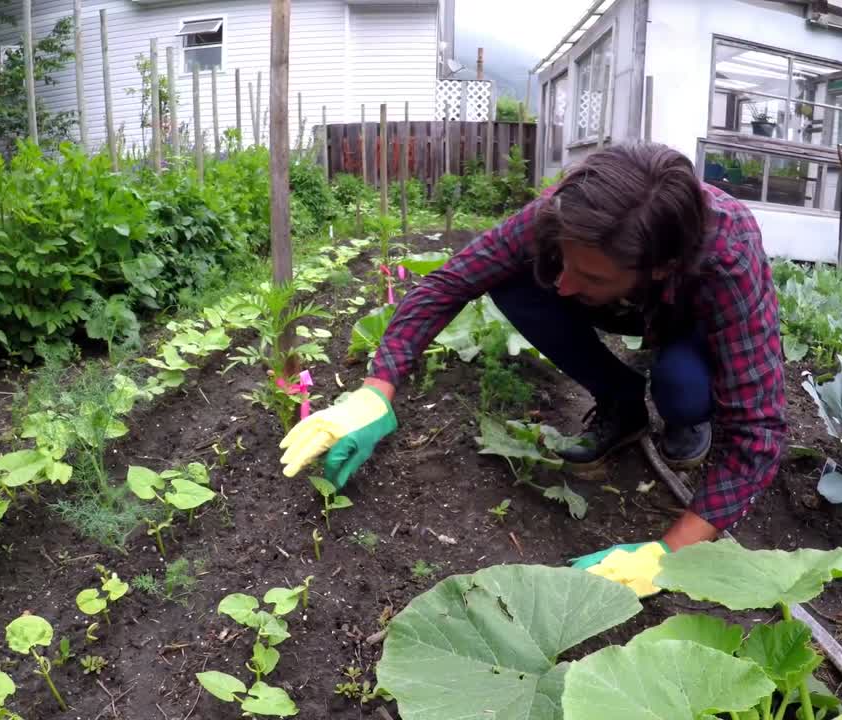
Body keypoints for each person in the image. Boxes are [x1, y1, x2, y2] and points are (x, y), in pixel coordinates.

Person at [279, 142, 786, 586]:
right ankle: (621, 402)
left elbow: (759, 431)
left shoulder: (728, 256)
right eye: (563, 260)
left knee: (682, 387)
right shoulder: (567, 215)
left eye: (585, 272)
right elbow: (446, 284)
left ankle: (685, 419)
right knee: (513, 280)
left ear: (658, 266)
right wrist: (376, 391)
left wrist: (670, 553)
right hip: (624, 301)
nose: (563, 284)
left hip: (687, 319)